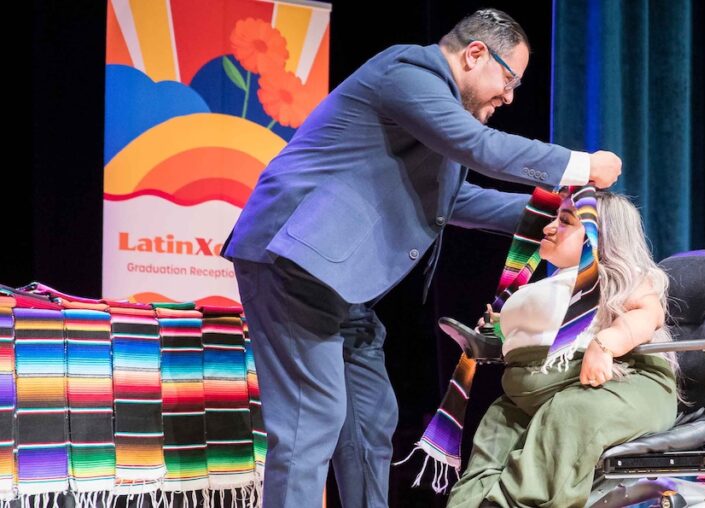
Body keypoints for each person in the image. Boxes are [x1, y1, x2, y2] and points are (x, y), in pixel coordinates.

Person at [221, 8, 623, 508]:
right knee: (311, 419)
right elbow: (478, 146)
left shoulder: (438, 112)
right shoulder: (409, 73)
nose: (509, 96)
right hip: (291, 260)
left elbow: (457, 202)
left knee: (371, 417)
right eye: (509, 78)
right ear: (476, 54)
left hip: (340, 284)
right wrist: (580, 166)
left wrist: (551, 215)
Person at [445, 190, 678, 508]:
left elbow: (648, 315)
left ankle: (514, 503)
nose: (548, 227)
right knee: (497, 424)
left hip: (628, 382)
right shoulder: (549, 289)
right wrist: (499, 330)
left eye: (565, 221)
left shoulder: (621, 278)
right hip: (541, 391)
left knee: (570, 413)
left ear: (600, 238)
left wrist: (605, 343)